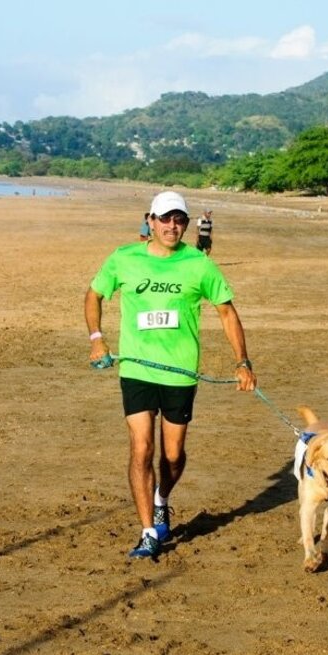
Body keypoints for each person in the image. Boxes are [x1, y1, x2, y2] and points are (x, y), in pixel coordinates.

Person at [85, 190, 256, 560]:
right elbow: (94, 294)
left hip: (180, 373)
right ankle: (148, 530)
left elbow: (227, 312)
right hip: (137, 369)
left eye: (179, 219)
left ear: (186, 224)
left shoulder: (198, 264)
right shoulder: (124, 258)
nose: (172, 226)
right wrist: (97, 339)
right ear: (150, 221)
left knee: (174, 456)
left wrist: (243, 361)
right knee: (141, 447)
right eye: (165, 219)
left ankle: (163, 497)